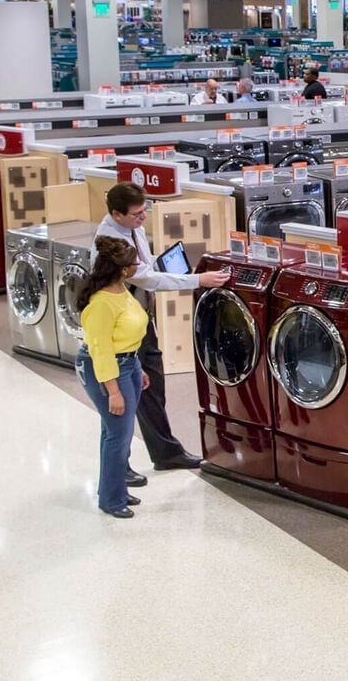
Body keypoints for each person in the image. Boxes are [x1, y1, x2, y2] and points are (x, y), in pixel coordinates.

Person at [94, 183, 229, 485]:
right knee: (125, 401)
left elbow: (147, 264)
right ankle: (120, 467)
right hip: (122, 327)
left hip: (138, 319)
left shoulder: (131, 228)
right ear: (116, 213)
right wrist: (197, 280)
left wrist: (170, 264)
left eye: (145, 210)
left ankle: (165, 452)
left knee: (151, 388)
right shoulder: (109, 239)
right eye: (137, 214)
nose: (144, 217)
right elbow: (145, 278)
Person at [76, 236, 148, 519]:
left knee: (115, 431)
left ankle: (114, 488)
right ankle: (111, 499)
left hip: (128, 364)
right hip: (104, 369)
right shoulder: (101, 304)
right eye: (134, 262)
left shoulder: (121, 289)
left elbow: (128, 336)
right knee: (118, 433)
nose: (138, 265)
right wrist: (114, 391)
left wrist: (138, 367)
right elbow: (101, 350)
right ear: (121, 269)